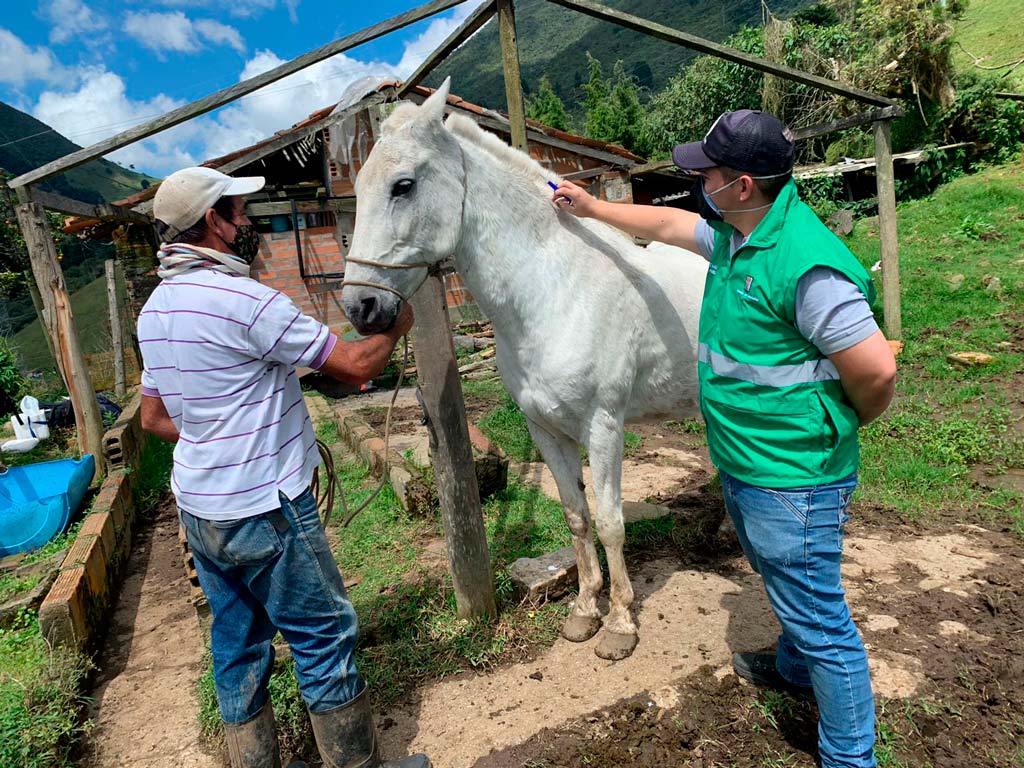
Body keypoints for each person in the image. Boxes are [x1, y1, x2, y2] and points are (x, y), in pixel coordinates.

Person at [551, 110, 896, 768]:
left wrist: (833, 429)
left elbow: (877, 371)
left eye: (704, 172)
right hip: (746, 464)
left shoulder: (806, 265)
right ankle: (793, 666)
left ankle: (851, 757)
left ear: (740, 185)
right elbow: (667, 225)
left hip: (794, 475)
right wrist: (593, 206)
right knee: (778, 576)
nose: (693, 182)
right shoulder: (741, 234)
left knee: (824, 621)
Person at [139, 166, 428, 768]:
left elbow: (152, 418)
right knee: (323, 636)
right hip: (265, 509)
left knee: (237, 642)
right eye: (238, 213)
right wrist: (399, 322)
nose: (249, 223)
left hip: (200, 511)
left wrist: (220, 436)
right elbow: (353, 365)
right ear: (212, 224)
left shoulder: (155, 311)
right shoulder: (244, 301)